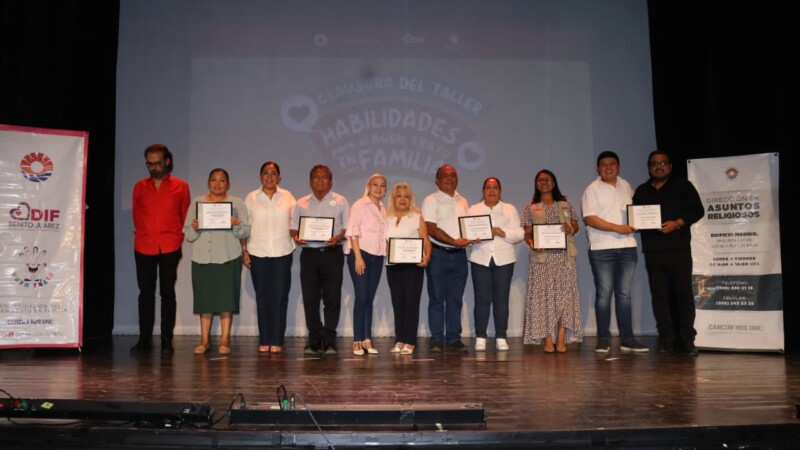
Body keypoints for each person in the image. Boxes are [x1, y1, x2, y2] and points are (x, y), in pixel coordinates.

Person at [633, 150, 704, 355]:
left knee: (683, 294)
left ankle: (688, 340)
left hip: (678, 250)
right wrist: (635, 224)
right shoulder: (641, 191)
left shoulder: (683, 186)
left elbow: (698, 210)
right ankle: (666, 339)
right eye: (654, 163)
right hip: (654, 252)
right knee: (659, 296)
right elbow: (636, 218)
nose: (659, 166)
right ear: (649, 167)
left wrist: (678, 223)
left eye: (663, 163)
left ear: (670, 167)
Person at [581, 151, 649, 353]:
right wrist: (617, 228)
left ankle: (627, 339)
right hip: (602, 248)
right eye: (604, 164)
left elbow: (636, 214)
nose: (608, 167)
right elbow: (590, 219)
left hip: (628, 247)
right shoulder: (591, 190)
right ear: (598, 168)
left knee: (624, 295)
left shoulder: (627, 186)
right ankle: (603, 338)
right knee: (603, 294)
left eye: (612, 164)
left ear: (619, 167)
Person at [131, 143, 190, 355]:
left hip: (170, 245)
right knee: (145, 293)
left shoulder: (181, 186)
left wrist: (177, 237)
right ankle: (144, 340)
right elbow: (137, 216)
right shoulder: (140, 186)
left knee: (167, 292)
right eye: (149, 164)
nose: (153, 167)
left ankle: (167, 340)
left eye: (157, 163)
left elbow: (185, 216)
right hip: (144, 245)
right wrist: (145, 233)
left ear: (167, 161)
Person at [183, 168, 250, 355]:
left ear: (228, 183)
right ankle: (204, 340)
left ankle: (225, 339)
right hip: (202, 258)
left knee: (226, 301)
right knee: (205, 301)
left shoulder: (236, 203)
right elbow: (187, 233)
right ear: (208, 182)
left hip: (228, 257)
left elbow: (245, 231)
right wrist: (195, 227)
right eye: (213, 180)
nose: (217, 184)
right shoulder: (197, 202)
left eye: (222, 180)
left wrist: (236, 224)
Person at [522, 169, 583, 352]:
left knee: (564, 298)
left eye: (548, 179)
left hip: (564, 258)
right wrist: (532, 243)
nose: (544, 182)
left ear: (554, 183)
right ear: (536, 184)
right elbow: (527, 232)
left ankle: (562, 336)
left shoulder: (565, 204)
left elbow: (576, 225)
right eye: (540, 180)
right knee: (544, 299)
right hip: (542, 259)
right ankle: (548, 338)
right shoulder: (531, 206)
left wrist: (570, 227)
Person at [290, 165, 349, 355]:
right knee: (310, 298)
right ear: (310, 181)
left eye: (325, 178)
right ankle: (314, 339)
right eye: (316, 178)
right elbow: (293, 227)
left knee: (332, 298)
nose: (321, 181)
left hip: (332, 253)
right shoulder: (301, 203)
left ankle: (330, 339)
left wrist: (338, 237)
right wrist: (296, 236)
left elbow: (348, 228)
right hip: (309, 255)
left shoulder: (341, 201)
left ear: (331, 181)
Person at [243, 162, 296, 354]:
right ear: (260, 176)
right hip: (258, 252)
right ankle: (265, 338)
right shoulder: (251, 198)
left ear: (279, 177)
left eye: (274, 173)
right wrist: (244, 250)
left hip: (282, 253)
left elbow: (296, 223)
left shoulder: (288, 197)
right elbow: (245, 227)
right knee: (263, 297)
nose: (269, 177)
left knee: (280, 297)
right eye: (265, 173)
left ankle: (277, 339)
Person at [421, 164, 475, 352]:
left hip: (459, 257)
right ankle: (436, 338)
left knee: (455, 299)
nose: (449, 179)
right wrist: (454, 241)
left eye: (453, 175)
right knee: (437, 298)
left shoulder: (463, 201)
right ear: (437, 180)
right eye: (445, 176)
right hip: (438, 254)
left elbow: (467, 227)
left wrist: (474, 236)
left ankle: (454, 338)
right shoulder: (431, 200)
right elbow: (431, 228)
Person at [467, 177, 524, 351]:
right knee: (481, 298)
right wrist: (472, 239)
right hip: (480, 258)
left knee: (501, 299)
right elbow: (466, 232)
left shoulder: (510, 209)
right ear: (483, 191)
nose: (492, 191)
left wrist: (503, 232)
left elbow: (520, 233)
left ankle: (501, 336)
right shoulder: (474, 209)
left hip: (504, 259)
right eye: (488, 188)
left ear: (500, 191)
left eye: (495, 188)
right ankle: (480, 337)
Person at [386, 182, 432, 355]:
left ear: (411, 199)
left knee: (411, 304)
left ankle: (410, 341)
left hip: (414, 267)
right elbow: (384, 242)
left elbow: (426, 240)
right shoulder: (386, 218)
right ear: (393, 198)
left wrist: (426, 257)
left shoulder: (416, 217)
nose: (403, 199)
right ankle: (399, 339)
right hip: (393, 267)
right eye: (399, 196)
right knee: (398, 303)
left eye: (406, 196)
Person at [345, 174, 388, 356]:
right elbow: (353, 232)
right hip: (360, 255)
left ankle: (367, 338)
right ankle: (357, 339)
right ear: (368, 186)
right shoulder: (360, 205)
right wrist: (358, 257)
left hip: (377, 257)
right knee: (361, 297)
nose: (379, 188)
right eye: (375, 185)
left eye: (382, 186)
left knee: (369, 298)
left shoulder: (383, 208)